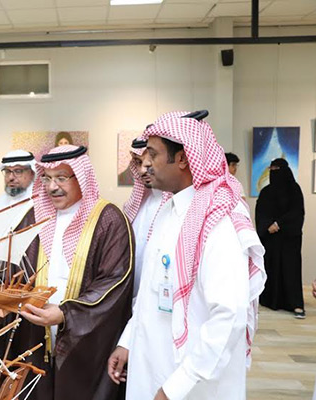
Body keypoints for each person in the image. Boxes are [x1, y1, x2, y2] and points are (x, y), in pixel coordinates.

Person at [108, 111, 266, 400]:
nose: (145, 163)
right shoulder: (168, 210)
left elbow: (229, 316)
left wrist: (176, 387)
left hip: (192, 383)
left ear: (182, 158)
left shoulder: (220, 220)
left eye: (153, 154)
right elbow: (150, 292)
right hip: (153, 368)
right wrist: (127, 341)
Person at [0, 145, 134, 400]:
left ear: (80, 177)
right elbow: (12, 272)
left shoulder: (108, 220)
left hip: (84, 339)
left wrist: (66, 314)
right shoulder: (33, 218)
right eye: (47, 178)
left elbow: (114, 281)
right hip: (34, 336)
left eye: (61, 178)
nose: (52, 187)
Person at [256, 158, 305, 319]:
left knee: (291, 270)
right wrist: (268, 225)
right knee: (272, 267)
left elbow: (297, 212)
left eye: (277, 169)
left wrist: (279, 224)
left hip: (290, 239)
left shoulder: (294, 190)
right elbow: (261, 213)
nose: (274, 172)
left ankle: (295, 304)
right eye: (272, 169)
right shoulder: (266, 192)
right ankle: (271, 300)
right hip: (271, 240)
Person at [123, 138, 164, 297]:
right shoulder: (137, 204)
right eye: (139, 162)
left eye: (150, 161)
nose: (142, 170)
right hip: (134, 297)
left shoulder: (177, 206)